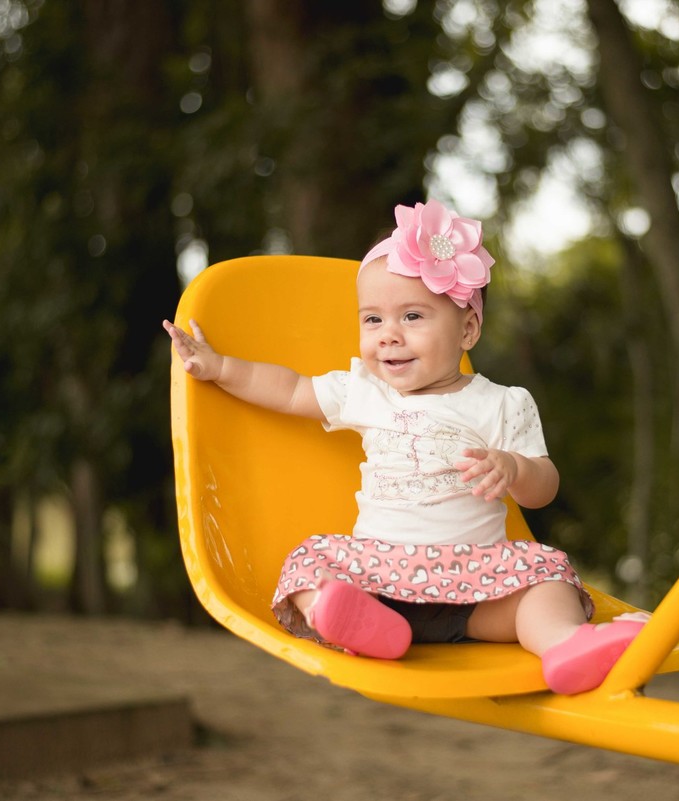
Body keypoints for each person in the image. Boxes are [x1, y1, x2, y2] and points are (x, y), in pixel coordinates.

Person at [164, 199, 645, 694]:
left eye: (412, 316)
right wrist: (220, 369)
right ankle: (360, 625)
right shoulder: (366, 391)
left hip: (477, 589)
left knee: (547, 575)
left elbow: (543, 487)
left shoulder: (501, 404)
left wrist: (514, 468)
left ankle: (565, 644)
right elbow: (290, 389)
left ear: (468, 329)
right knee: (309, 561)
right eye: (372, 320)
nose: (388, 336)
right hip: (379, 578)